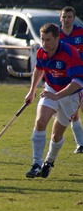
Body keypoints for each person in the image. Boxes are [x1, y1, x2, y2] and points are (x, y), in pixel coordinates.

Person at [25, 23, 83, 179]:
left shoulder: (69, 53)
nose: (44, 44)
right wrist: (31, 92)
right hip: (50, 90)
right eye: (42, 39)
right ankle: (36, 163)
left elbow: (77, 82)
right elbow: (38, 69)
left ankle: (48, 162)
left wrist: (58, 96)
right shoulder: (41, 52)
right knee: (40, 122)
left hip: (70, 96)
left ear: (57, 38)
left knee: (56, 136)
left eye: (48, 40)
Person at [59, 6, 83, 153]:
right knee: (74, 113)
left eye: (69, 17)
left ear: (74, 18)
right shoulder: (57, 35)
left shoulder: (81, 32)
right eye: (64, 17)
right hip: (66, 79)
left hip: (81, 76)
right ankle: (80, 144)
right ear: (60, 18)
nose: (66, 20)